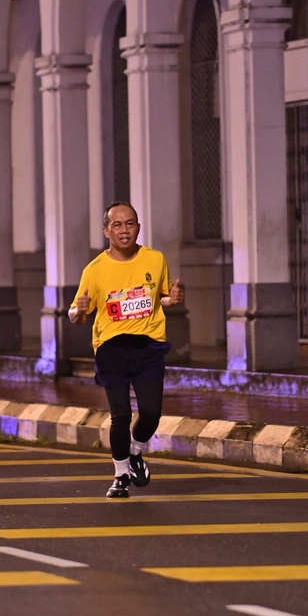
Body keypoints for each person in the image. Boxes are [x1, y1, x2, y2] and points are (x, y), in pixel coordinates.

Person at [69, 201, 185, 498]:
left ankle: (135, 451)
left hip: (149, 346)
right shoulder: (94, 270)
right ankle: (120, 475)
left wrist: (172, 299)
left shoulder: (155, 259)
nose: (124, 230)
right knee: (120, 415)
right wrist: (79, 310)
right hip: (111, 348)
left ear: (138, 228)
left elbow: (161, 297)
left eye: (130, 223)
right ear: (106, 231)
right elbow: (76, 316)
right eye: (117, 225)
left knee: (151, 413)